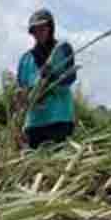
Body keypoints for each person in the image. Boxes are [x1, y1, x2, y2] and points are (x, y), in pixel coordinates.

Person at [16, 8, 77, 149]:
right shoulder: (26, 59)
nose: (39, 32)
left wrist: (50, 78)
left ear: (51, 28)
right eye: (35, 29)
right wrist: (23, 98)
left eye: (43, 28)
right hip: (34, 124)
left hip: (59, 120)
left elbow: (70, 78)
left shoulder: (62, 49)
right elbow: (21, 90)